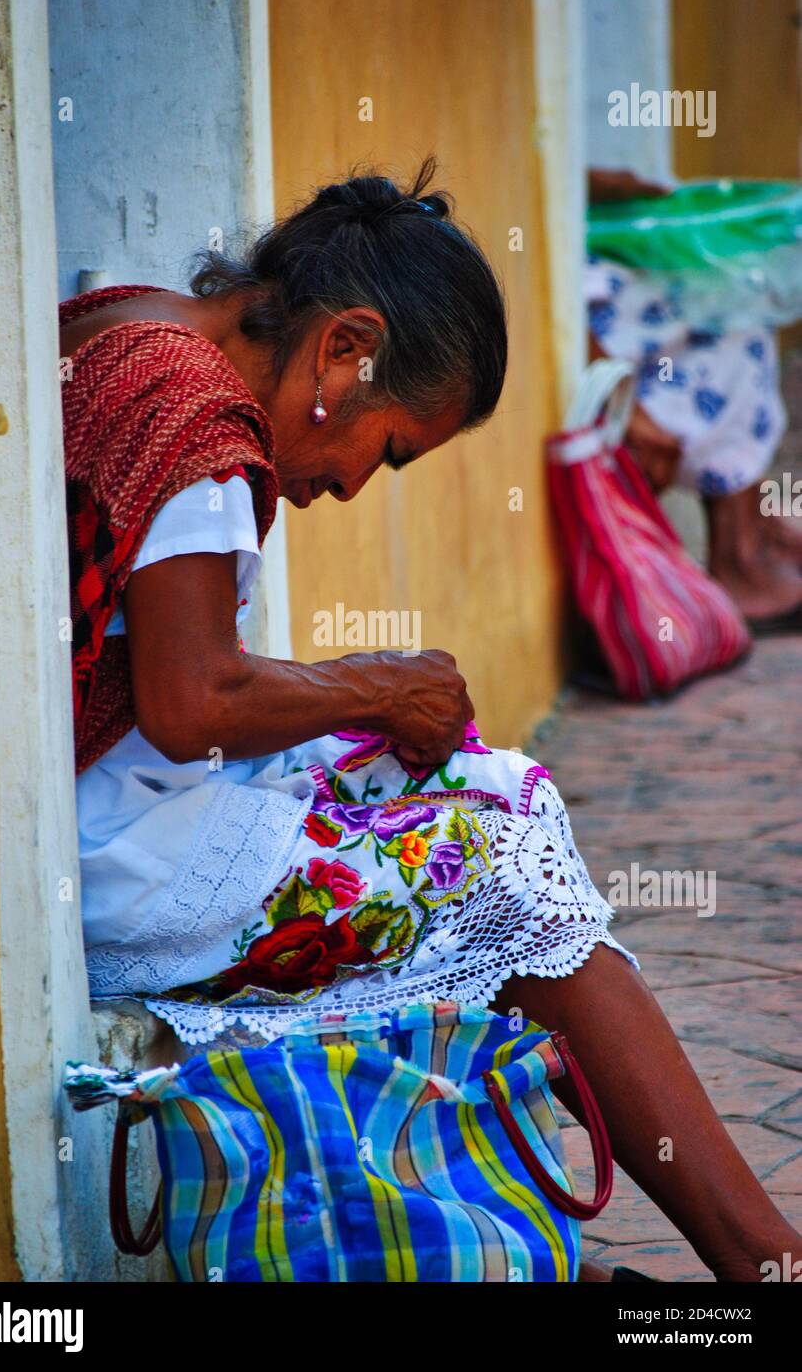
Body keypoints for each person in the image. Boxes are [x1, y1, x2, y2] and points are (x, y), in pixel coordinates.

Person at [62, 159, 800, 1281]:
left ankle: (544, 1241)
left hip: (112, 801)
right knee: (497, 864)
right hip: (118, 856)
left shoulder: (130, 323)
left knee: (500, 795)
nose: (355, 486)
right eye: (389, 447)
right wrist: (372, 686)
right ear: (344, 348)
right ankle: (757, 1259)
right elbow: (189, 701)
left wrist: (370, 696)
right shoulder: (200, 419)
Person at [587, 168, 802, 629]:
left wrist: (604, 185)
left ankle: (750, 535)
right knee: (732, 319)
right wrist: (631, 408)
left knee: (736, 307)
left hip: (593, 257)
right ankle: (743, 553)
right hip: (577, 287)